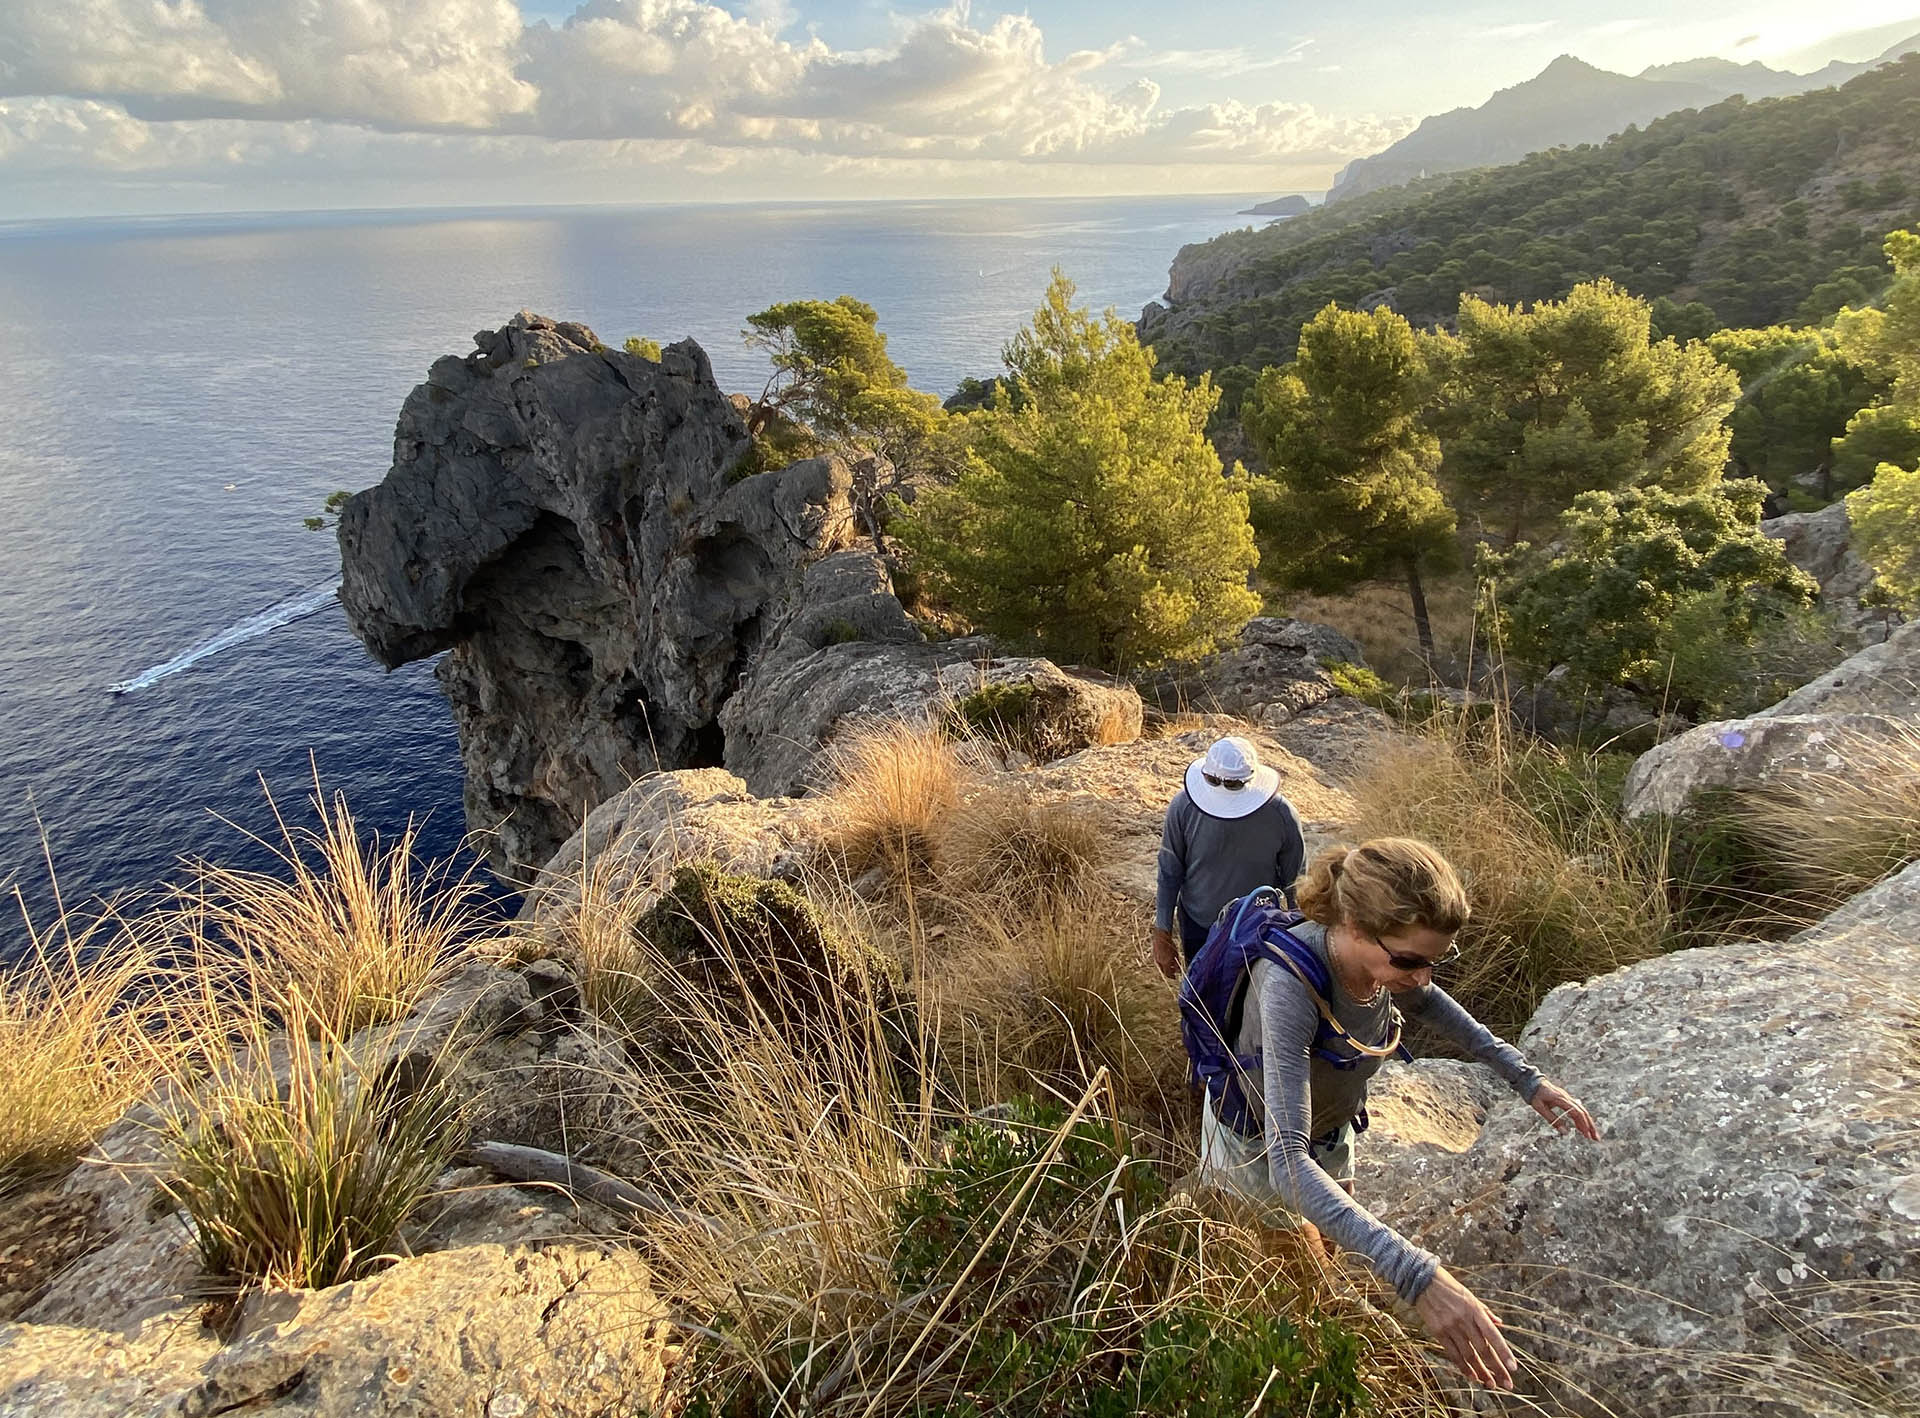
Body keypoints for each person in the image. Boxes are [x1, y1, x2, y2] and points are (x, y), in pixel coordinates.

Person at [1198, 837, 1598, 1391]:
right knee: (1284, 1285)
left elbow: (1430, 1002)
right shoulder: (1289, 987)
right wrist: (1419, 1276)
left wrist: (1525, 1078)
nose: (1422, 976)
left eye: (1436, 959)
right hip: (1259, 1146)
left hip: (1331, 1129)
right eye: (1410, 961)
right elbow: (1286, 1164)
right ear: (1356, 926)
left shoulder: (1381, 962)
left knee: (1327, 1249)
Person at [1151, 736, 1305, 978]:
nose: (1222, 791)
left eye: (1233, 785)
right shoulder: (1183, 807)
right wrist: (1162, 933)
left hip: (1259, 927)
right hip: (1198, 925)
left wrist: (1301, 937)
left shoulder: (1282, 814)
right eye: (1213, 781)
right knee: (1203, 997)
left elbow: (1295, 880)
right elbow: (1170, 870)